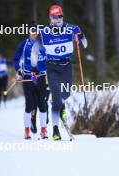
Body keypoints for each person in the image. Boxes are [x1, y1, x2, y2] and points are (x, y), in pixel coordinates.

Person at [39, 5, 87, 140]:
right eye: (54, 17)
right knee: (56, 97)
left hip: (66, 66)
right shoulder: (44, 32)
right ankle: (55, 129)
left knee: (65, 94)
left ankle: (60, 104)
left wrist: (81, 35)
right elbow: (35, 50)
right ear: (50, 18)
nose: (57, 19)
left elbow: (85, 44)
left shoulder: (71, 28)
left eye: (60, 16)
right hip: (52, 67)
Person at [13, 26, 48, 139]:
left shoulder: (44, 43)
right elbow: (17, 59)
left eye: (37, 33)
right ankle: (27, 130)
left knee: (42, 104)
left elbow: (48, 58)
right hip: (28, 77)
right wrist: (18, 69)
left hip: (41, 77)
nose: (35, 35)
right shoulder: (24, 45)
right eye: (33, 33)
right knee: (29, 104)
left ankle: (43, 131)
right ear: (29, 33)